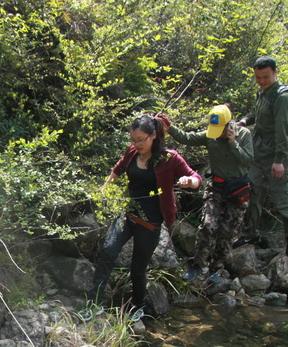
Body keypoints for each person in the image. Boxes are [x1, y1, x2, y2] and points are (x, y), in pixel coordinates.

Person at [79, 115, 202, 323]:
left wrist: (188, 181)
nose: (136, 144)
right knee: (108, 251)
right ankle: (94, 304)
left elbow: (197, 179)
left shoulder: (169, 158)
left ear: (153, 135)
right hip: (128, 215)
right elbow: (118, 168)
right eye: (133, 139)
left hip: (150, 224)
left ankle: (139, 307)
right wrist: (104, 188)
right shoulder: (132, 151)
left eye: (141, 139)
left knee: (138, 269)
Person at [158, 105, 254, 282]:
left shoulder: (244, 135)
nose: (218, 133)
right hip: (216, 188)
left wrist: (233, 144)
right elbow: (187, 138)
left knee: (227, 232)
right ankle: (197, 265)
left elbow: (248, 161)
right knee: (208, 226)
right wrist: (169, 128)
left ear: (229, 125)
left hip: (237, 190)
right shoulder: (210, 136)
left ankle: (216, 267)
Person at [234, 56, 288, 255]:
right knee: (254, 192)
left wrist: (279, 161)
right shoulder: (263, 93)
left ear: (275, 72)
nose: (261, 81)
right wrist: (244, 121)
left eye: (265, 77)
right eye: (258, 77)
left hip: (276, 156)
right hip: (258, 154)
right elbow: (257, 114)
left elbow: (283, 132)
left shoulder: (282, 97)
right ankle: (250, 233)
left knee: (281, 196)